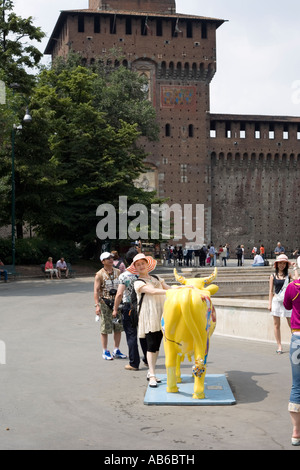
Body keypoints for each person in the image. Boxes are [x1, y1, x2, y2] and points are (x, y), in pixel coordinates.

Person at [128, 253, 186, 388]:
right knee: (151, 345)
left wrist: (184, 288)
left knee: (156, 345)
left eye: (143, 263)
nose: (141, 266)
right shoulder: (138, 282)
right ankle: (152, 374)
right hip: (149, 316)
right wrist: (172, 292)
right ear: (135, 268)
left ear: (147, 264)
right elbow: (153, 291)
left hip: (162, 314)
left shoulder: (157, 278)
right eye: (138, 265)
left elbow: (170, 288)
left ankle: (151, 371)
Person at [112, 249, 148, 371]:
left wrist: (115, 309)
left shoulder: (124, 276)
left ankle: (134, 363)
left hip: (129, 308)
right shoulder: (143, 274)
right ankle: (148, 359)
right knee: (144, 334)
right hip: (143, 306)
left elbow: (119, 294)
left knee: (131, 335)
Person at [94, 252, 127, 361]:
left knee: (118, 327)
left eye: (111, 257)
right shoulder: (99, 274)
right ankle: (105, 351)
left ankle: (116, 349)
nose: (110, 259)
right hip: (105, 303)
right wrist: (97, 305)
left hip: (117, 303)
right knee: (105, 328)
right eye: (107, 258)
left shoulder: (118, 272)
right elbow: (96, 291)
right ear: (103, 261)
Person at [283, 263, 300, 446]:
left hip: (297, 339)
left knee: (297, 385)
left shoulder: (293, 287)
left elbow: (287, 304)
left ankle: (296, 432)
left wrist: (295, 278)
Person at [268, 254, 293, 354]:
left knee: (292, 324)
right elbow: (270, 291)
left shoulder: (289, 275)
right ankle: (279, 346)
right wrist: (269, 303)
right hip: (276, 302)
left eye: (284, 263)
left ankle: (296, 343)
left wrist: (295, 267)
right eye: (280, 263)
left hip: (287, 302)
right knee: (276, 325)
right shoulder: (272, 276)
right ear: (277, 264)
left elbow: (297, 279)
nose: (282, 265)